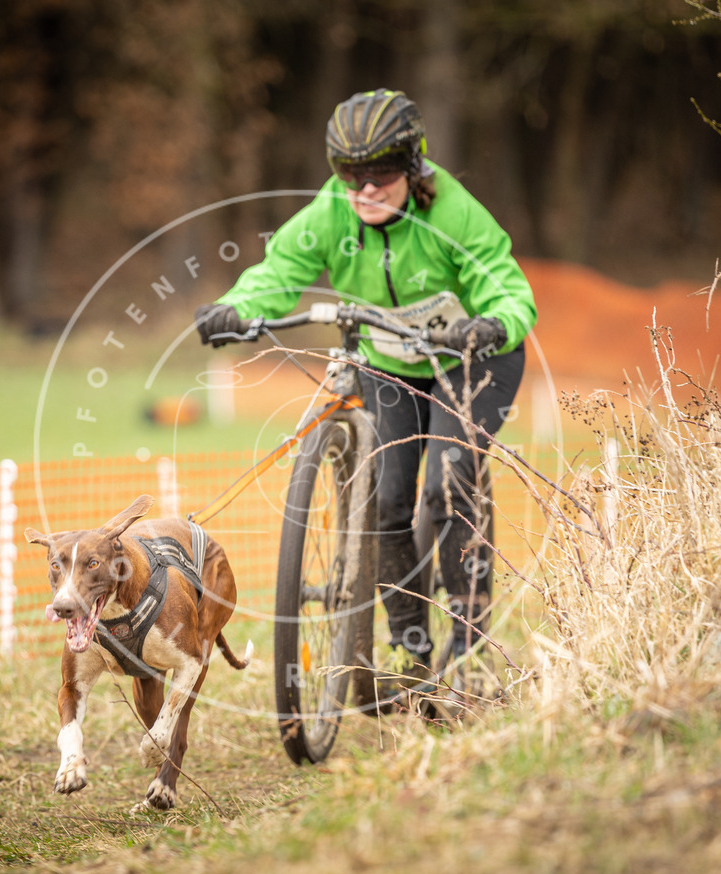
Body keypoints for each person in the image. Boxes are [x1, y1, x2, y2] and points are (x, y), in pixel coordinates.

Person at [195, 88, 536, 700]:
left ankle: (468, 655)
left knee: (447, 485)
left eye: (379, 173)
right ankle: (412, 655)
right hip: (392, 363)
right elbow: (277, 274)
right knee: (388, 502)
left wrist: (493, 323)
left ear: (410, 165)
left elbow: (507, 286)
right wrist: (236, 308)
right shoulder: (330, 213)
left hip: (472, 356)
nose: (365, 189)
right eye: (351, 175)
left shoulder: (455, 214)